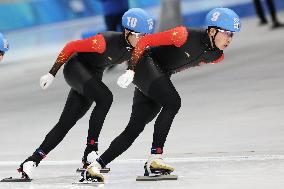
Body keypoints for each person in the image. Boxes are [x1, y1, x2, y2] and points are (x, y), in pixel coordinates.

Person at [83, 7, 241, 182]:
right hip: (143, 65)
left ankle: (94, 166)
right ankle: (156, 157)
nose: (229, 39)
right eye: (226, 33)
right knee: (173, 102)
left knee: (134, 128)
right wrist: (131, 70)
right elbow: (143, 42)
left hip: (158, 75)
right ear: (212, 31)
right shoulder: (182, 34)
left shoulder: (217, 56)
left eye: (232, 34)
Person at [17, 8, 154, 181]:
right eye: (140, 36)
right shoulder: (103, 41)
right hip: (76, 69)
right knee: (105, 98)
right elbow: (71, 46)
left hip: (93, 75)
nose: (143, 40)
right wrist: (52, 73)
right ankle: (91, 150)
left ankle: (32, 161)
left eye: (146, 36)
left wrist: (131, 72)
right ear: (127, 32)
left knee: (66, 122)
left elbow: (141, 60)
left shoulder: (137, 46)